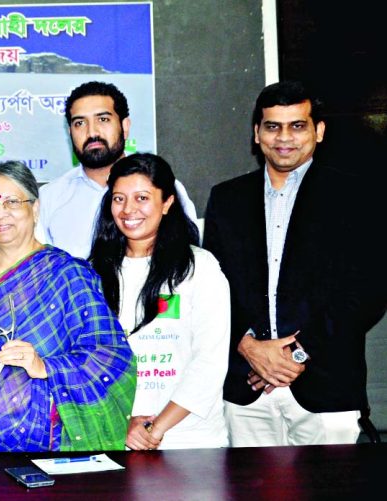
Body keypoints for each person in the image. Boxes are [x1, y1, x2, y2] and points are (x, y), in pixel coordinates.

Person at [202, 81, 385, 446]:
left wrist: (291, 357)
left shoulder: (358, 196)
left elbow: (367, 292)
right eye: (273, 126)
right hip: (247, 388)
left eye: (297, 125)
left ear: (318, 131)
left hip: (324, 386)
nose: (284, 137)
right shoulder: (227, 200)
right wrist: (249, 348)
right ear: (257, 134)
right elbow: (214, 288)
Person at [0, 160, 136, 453]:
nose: (0, 213)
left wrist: (46, 366)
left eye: (11, 201)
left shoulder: (68, 274)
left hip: (49, 441)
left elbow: (110, 355)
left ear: (34, 208)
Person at [89, 153, 230, 450]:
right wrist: (123, 424)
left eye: (142, 198)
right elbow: (86, 361)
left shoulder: (199, 268)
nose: (129, 210)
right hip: (115, 435)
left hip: (191, 440)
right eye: (118, 199)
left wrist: (155, 428)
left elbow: (209, 362)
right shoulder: (92, 273)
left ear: (167, 203)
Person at [38, 81, 198, 259]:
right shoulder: (49, 198)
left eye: (103, 119)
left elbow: (187, 260)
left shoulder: (163, 186)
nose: (92, 133)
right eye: (80, 123)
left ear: (125, 126)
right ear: (70, 132)